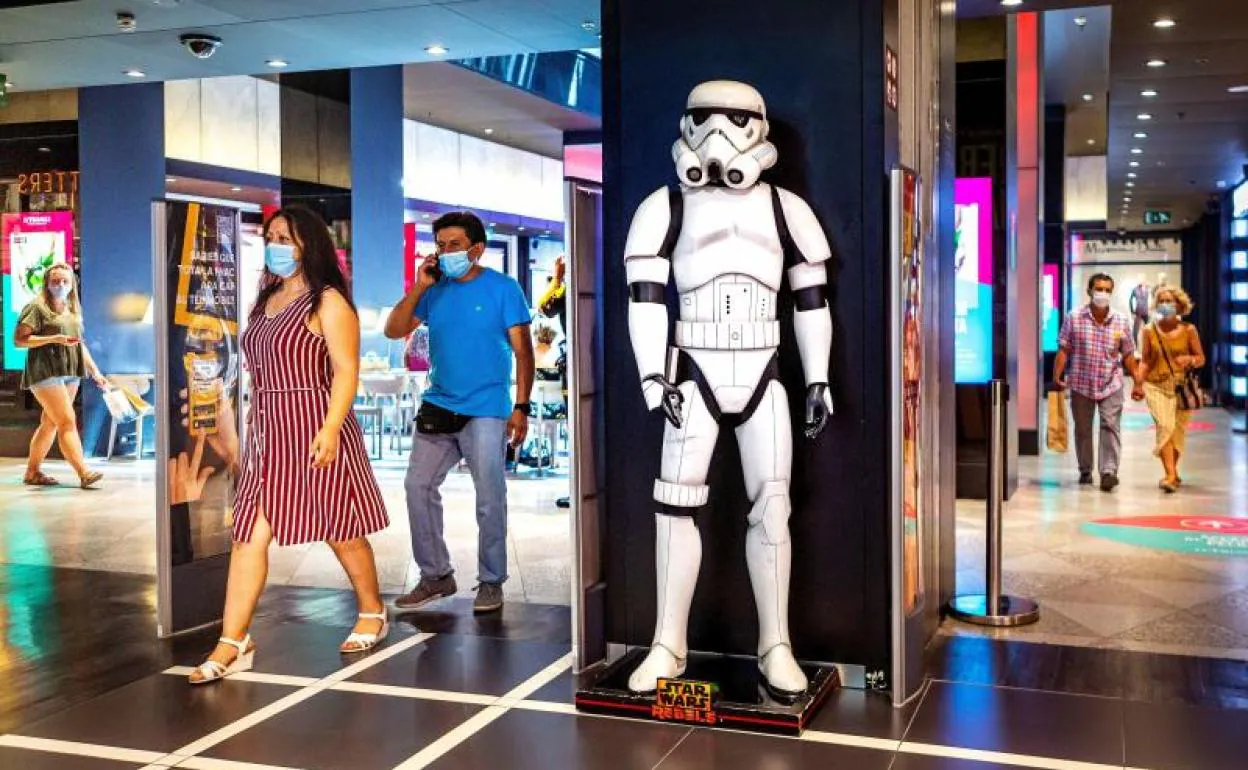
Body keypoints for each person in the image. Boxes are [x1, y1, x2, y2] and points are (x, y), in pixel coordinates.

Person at [189, 205, 390, 684]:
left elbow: (346, 370)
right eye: (273, 236)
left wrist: (330, 428)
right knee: (248, 533)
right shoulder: (265, 298)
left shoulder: (328, 302)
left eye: (287, 237)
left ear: (309, 245)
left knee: (338, 525)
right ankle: (232, 639)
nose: (277, 245)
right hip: (267, 428)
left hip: (314, 424)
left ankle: (373, 610)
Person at [384, 211, 534, 615]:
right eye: (441, 245)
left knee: (489, 497)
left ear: (476, 248)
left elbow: (524, 351)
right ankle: (436, 575)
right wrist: (419, 286)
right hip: (439, 403)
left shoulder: (504, 289)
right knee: (417, 487)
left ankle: (491, 580)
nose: (445, 252)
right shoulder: (434, 291)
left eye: (454, 245)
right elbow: (394, 329)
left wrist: (520, 406)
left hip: (487, 407)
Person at [15, 263, 107, 489]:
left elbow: (79, 344)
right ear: (47, 283)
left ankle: (32, 471)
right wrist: (53, 339)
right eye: (56, 281)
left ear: (72, 284)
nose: (60, 285)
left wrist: (95, 371)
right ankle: (84, 473)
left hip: (70, 371)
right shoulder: (36, 307)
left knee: (50, 423)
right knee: (66, 421)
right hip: (45, 371)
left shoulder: (72, 307)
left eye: (65, 282)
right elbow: (19, 340)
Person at [1054, 273, 1141, 492]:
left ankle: (1108, 472)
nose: (1102, 293)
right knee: (1083, 429)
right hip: (1081, 383)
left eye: (1107, 289)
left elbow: (1128, 354)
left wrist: (1138, 382)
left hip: (1111, 383)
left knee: (1110, 426)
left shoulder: (1121, 320)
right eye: (1098, 288)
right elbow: (1064, 348)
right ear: (1090, 291)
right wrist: (1057, 375)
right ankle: (1085, 469)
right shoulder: (1074, 317)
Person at [1131, 286, 1205, 493]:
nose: (1165, 305)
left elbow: (1201, 358)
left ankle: (1172, 472)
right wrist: (1138, 383)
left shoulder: (1189, 330)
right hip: (1156, 386)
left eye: (1170, 301)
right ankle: (1170, 475)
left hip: (1181, 388)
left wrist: (1189, 359)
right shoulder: (1149, 330)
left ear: (1180, 305)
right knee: (1165, 426)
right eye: (1161, 301)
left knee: (1177, 432)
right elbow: (1145, 361)